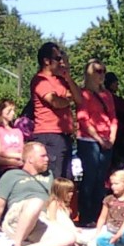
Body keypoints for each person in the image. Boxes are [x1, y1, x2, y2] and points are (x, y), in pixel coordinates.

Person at [0, 142, 76, 246]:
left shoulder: (48, 176)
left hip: (40, 219)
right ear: (30, 159)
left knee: (69, 238)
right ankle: (17, 243)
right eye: (43, 156)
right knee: (36, 202)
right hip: (17, 216)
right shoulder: (11, 175)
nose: (47, 159)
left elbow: (52, 203)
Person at [30, 42, 82, 180]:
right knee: (55, 179)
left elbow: (79, 98)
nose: (61, 62)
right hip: (49, 134)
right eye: (58, 58)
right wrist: (68, 100)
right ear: (46, 61)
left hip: (65, 135)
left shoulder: (61, 80)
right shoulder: (40, 80)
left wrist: (68, 77)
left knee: (67, 180)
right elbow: (55, 102)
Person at [76, 59, 118, 226]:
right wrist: (99, 139)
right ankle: (86, 216)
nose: (101, 75)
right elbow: (83, 119)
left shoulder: (107, 95)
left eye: (103, 71)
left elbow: (113, 117)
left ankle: (99, 215)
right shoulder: (83, 94)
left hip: (107, 139)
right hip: (89, 140)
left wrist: (112, 137)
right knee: (90, 177)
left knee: (101, 179)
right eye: (98, 71)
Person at [47, 177, 122, 246]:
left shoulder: (65, 206)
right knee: (89, 240)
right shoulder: (54, 203)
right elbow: (52, 221)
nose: (71, 194)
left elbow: (66, 222)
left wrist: (75, 228)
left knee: (101, 229)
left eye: (72, 191)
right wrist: (68, 230)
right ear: (60, 192)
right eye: (68, 192)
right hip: (64, 232)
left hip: (72, 231)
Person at [0, 99, 25, 169]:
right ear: (1, 111)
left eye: (13, 110)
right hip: (6, 166)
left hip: (21, 164)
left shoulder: (18, 131)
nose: (13, 113)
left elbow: (23, 148)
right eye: (9, 110)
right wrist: (18, 155)